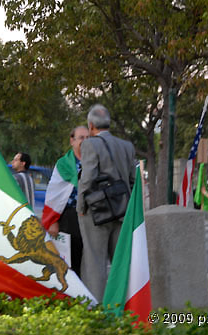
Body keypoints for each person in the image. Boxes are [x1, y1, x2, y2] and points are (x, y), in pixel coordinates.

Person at [76, 104, 136, 302]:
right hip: (122, 210)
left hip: (97, 211)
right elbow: (132, 180)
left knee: (94, 261)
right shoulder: (127, 146)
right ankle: (124, 303)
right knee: (120, 261)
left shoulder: (90, 145)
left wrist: (80, 206)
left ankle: (96, 307)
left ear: (91, 125)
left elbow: (88, 177)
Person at [42, 126, 89, 277]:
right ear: (72, 141)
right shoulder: (63, 164)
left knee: (89, 263)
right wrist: (53, 221)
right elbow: (54, 195)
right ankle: (72, 297)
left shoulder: (96, 162)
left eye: (89, 138)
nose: (85, 141)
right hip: (69, 218)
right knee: (69, 264)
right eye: (81, 138)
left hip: (91, 218)